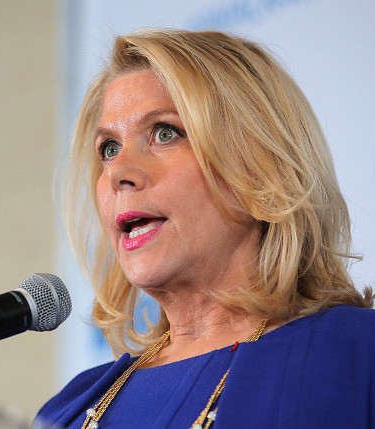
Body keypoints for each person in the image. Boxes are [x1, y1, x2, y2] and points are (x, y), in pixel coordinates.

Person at [35, 29, 375, 429]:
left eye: (165, 133)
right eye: (109, 149)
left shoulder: (357, 356)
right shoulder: (68, 409)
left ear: (259, 165)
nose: (117, 173)